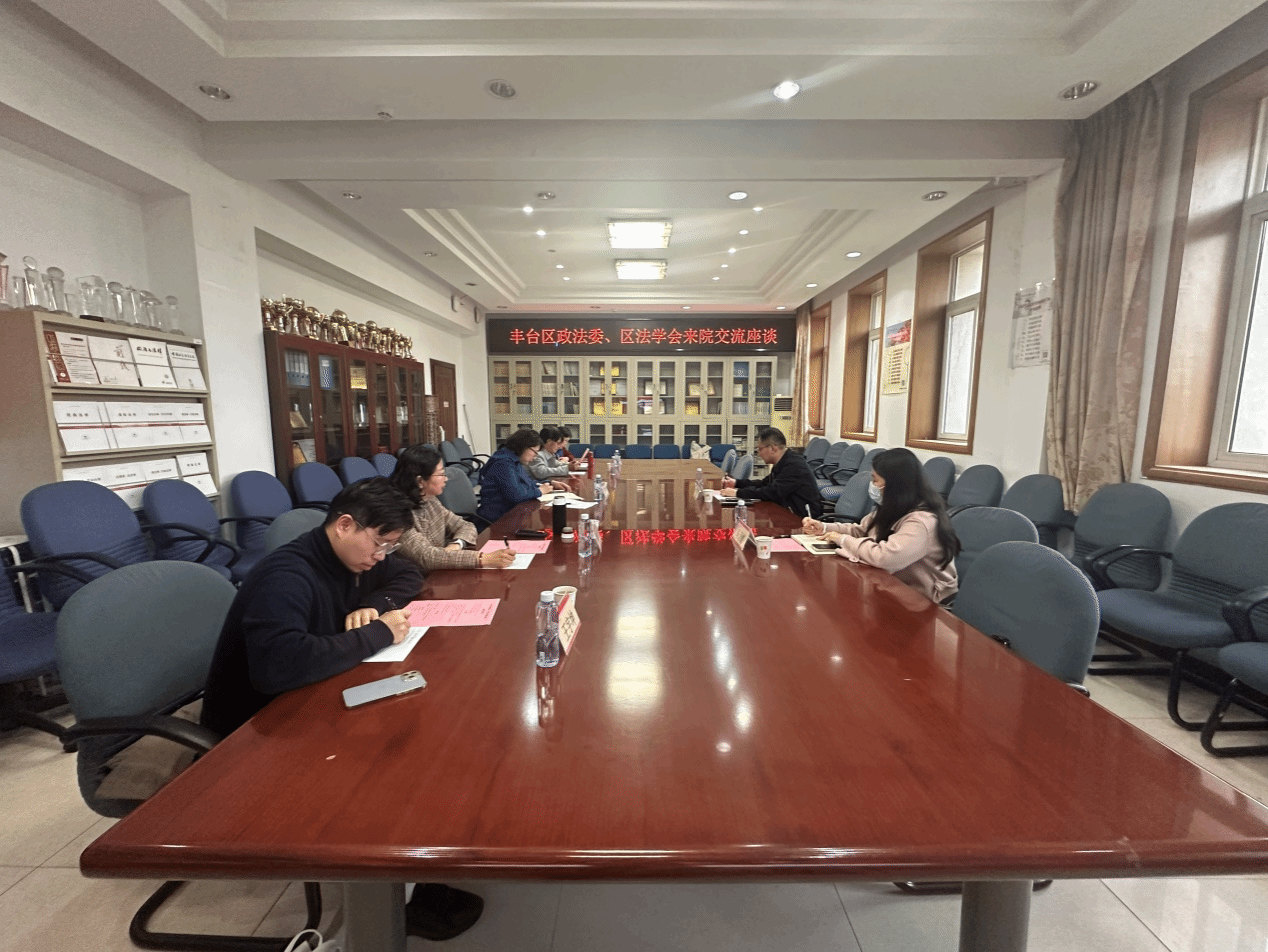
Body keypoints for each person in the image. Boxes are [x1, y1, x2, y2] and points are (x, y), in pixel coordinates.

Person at [200, 478, 485, 941]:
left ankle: (415, 872)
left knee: (424, 728)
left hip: (313, 694)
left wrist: (373, 605)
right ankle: (391, 898)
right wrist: (379, 633)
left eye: (389, 546)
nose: (381, 557)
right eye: (379, 543)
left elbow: (408, 575)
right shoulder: (287, 576)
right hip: (259, 725)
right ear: (345, 524)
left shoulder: (350, 556)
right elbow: (280, 668)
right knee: (394, 761)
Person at [801, 447, 960, 604]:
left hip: (926, 600)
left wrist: (842, 540)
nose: (872, 485)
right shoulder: (893, 506)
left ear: (895, 484)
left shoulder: (922, 521)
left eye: (875, 480)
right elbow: (861, 530)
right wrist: (824, 528)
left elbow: (885, 557)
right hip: (894, 584)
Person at [391, 443, 516, 570]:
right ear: (420, 481)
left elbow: (466, 526)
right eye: (441, 474)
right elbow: (427, 557)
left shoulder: (430, 500)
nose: (446, 479)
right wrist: (483, 559)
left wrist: (457, 544)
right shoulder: (396, 513)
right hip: (419, 577)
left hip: (441, 571)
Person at [720, 426, 823, 519]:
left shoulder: (794, 465)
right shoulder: (783, 461)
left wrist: (738, 493)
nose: (758, 453)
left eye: (760, 449)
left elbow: (772, 492)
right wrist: (736, 483)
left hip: (803, 519)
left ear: (773, 448)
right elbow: (764, 484)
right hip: (786, 512)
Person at [476, 428, 568, 525]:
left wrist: (550, 483)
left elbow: (526, 482)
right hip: (498, 520)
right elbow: (516, 494)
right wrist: (540, 491)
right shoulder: (504, 463)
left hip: (511, 514)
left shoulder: (514, 460)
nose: (535, 456)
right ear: (524, 447)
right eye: (535, 452)